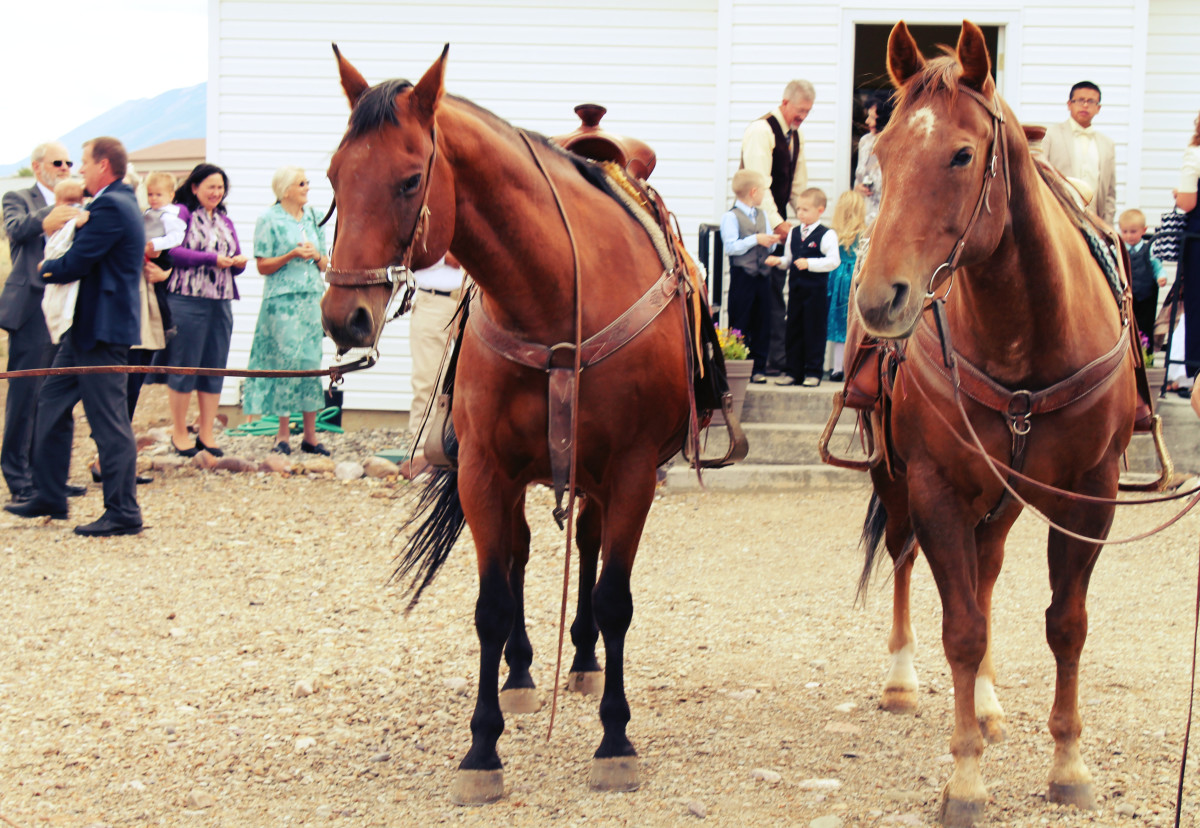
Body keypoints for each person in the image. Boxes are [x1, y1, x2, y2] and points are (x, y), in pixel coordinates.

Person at [4, 137, 144, 536]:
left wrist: (46, 269)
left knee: (109, 422)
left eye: (83, 162)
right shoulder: (115, 202)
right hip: (85, 330)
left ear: (103, 165)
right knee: (49, 402)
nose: (78, 169)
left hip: (101, 332)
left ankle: (123, 511)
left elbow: (76, 262)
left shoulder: (111, 206)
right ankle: (49, 494)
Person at [0, 141, 89, 505]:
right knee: (26, 395)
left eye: (70, 161)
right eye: (58, 161)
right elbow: (15, 229)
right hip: (32, 306)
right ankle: (18, 477)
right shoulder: (19, 197)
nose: (66, 166)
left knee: (54, 398)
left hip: (66, 306)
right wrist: (47, 217)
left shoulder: (80, 200)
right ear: (38, 168)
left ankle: (49, 478)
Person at [242, 166, 331, 456]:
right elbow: (262, 264)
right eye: (301, 183)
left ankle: (310, 435)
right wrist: (291, 254)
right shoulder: (269, 219)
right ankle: (282, 434)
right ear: (286, 189)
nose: (307, 187)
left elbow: (327, 263)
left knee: (310, 361)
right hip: (282, 299)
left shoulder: (315, 217)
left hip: (311, 298)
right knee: (286, 362)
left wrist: (315, 255)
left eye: (306, 182)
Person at [162, 163, 247, 458]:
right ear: (195, 187)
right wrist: (211, 259)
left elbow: (235, 258)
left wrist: (237, 262)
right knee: (185, 365)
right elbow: (172, 252)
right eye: (210, 186)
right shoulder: (183, 214)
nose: (216, 192)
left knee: (214, 365)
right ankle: (179, 431)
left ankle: (207, 432)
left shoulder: (225, 219)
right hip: (187, 299)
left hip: (220, 301)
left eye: (220, 187)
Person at [740, 79, 816, 377]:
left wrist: (806, 221)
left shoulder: (796, 137)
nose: (803, 117)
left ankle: (775, 358)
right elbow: (759, 183)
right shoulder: (762, 131)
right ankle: (755, 362)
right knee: (757, 291)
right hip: (756, 223)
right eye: (800, 111)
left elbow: (797, 188)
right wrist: (779, 223)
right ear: (785, 102)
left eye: (808, 112)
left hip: (779, 223)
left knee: (775, 289)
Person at [766, 187, 840, 387]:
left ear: (820, 210)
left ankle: (813, 372)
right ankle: (793, 371)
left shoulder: (827, 235)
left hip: (815, 292)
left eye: (805, 209)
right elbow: (790, 259)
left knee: (814, 330)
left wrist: (811, 264)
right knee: (794, 329)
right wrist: (778, 261)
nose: (800, 213)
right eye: (798, 209)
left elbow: (834, 261)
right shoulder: (794, 233)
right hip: (796, 290)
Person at [402, 252, 465, 480]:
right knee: (428, 379)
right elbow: (409, 251)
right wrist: (441, 258)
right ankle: (422, 454)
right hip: (433, 300)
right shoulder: (424, 216)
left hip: (473, 297)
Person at [720, 169, 777, 383]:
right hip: (743, 275)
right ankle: (739, 366)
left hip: (763, 275)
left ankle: (759, 368)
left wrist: (771, 245)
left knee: (762, 321)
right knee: (741, 320)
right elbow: (731, 247)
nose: (763, 195)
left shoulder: (762, 215)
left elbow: (767, 240)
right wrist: (756, 239)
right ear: (754, 192)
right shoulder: (731, 217)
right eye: (762, 190)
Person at [1042, 81, 1117, 225]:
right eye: (1080, 100)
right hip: (1057, 218)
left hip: (1094, 221)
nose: (1085, 105)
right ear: (1069, 104)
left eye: (1091, 101)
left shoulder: (1107, 144)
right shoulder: (1050, 135)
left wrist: (1106, 226)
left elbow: (1110, 193)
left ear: (1098, 108)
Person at [826, 191, 868, 382]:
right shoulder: (864, 233)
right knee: (853, 322)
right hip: (854, 277)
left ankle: (836, 368)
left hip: (837, 279)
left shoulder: (833, 234)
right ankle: (854, 367)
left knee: (837, 323)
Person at [1173, 110, 1200, 389]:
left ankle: (1197, 375)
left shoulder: (1195, 154)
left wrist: (1177, 194)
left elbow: (1188, 202)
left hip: (1198, 239)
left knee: (1197, 304)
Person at [1117, 208, 1165, 344]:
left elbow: (1157, 266)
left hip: (1145, 297)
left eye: (1133, 232)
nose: (1128, 236)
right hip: (1125, 296)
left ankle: (1146, 356)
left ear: (1143, 231)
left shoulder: (1149, 250)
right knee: (1124, 325)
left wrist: (1161, 277)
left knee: (1144, 326)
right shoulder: (1119, 251)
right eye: (1125, 232)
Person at [853, 93, 893, 224]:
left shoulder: (896, 144)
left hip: (885, 217)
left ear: (884, 119)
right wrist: (857, 188)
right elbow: (858, 177)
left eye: (872, 117)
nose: (867, 121)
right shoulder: (865, 141)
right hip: (862, 215)